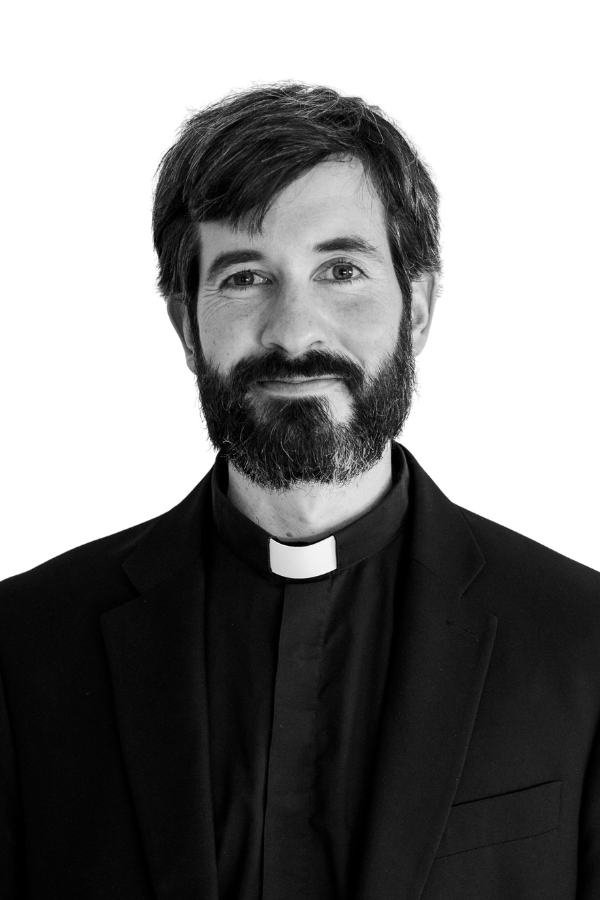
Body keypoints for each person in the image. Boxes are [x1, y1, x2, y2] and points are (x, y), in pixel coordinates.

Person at [1, 80, 598, 900]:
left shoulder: (582, 644)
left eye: (341, 269)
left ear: (421, 306)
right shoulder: (25, 643)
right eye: (245, 277)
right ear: (183, 320)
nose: (294, 332)